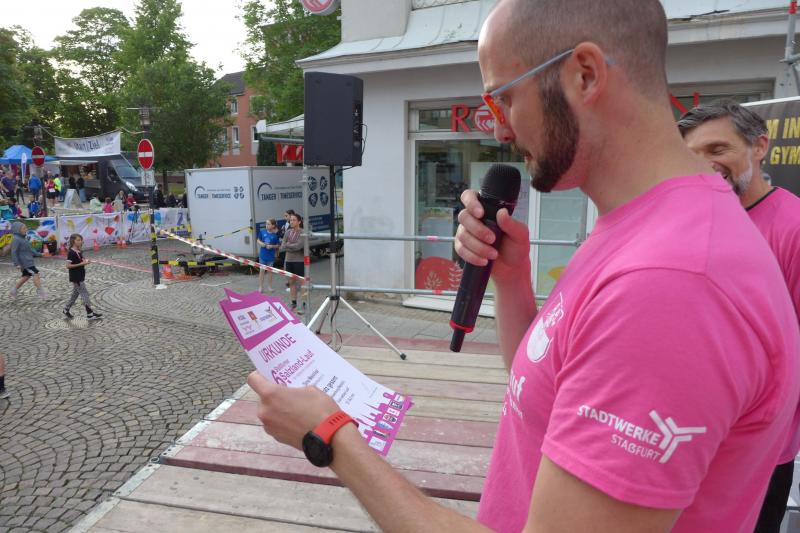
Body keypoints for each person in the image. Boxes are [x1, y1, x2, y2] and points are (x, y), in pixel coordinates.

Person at [247, 2, 800, 532]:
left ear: (584, 75)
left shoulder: (669, 283)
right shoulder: (642, 226)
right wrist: (511, 281)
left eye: (504, 99)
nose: (499, 130)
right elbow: (543, 390)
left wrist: (331, 437)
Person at [677, 100, 800, 533]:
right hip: (685, 438)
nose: (705, 164)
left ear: (759, 146)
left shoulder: (794, 227)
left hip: (759, 450)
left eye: (718, 149)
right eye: (693, 154)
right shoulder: (691, 221)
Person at [63, 233, 102, 321]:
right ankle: (90, 314)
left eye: (81, 240)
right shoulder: (71, 252)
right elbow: (68, 266)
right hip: (76, 277)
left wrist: (86, 261)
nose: (81, 241)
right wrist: (82, 263)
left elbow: (82, 261)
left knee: (74, 295)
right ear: (73, 241)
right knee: (85, 294)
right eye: (78, 240)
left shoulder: (79, 251)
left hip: (80, 275)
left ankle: (66, 309)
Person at [10, 221, 48, 299]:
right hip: (25, 263)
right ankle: (41, 291)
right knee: (35, 273)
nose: (26, 229)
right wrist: (16, 263)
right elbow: (14, 252)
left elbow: (31, 249)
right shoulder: (16, 239)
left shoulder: (24, 238)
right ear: (17, 230)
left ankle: (13, 290)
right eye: (23, 228)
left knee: (26, 276)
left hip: (29, 261)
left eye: (26, 228)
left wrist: (40, 254)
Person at [278, 213, 304, 313]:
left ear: (299, 222)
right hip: (288, 260)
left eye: (293, 220)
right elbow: (282, 246)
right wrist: (290, 245)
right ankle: (294, 303)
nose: (291, 222)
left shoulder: (302, 232)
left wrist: (288, 245)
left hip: (299, 261)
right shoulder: (288, 232)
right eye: (290, 220)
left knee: (302, 283)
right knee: (291, 282)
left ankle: (304, 303)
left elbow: (299, 246)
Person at [257, 218, 281, 292]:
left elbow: (278, 245)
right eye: (266, 224)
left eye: (268, 224)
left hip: (270, 257)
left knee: (270, 272)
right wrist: (262, 244)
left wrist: (272, 246)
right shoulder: (262, 232)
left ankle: (269, 286)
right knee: (262, 271)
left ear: (273, 225)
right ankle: (260, 287)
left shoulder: (275, 235)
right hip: (262, 256)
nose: (266, 225)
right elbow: (258, 240)